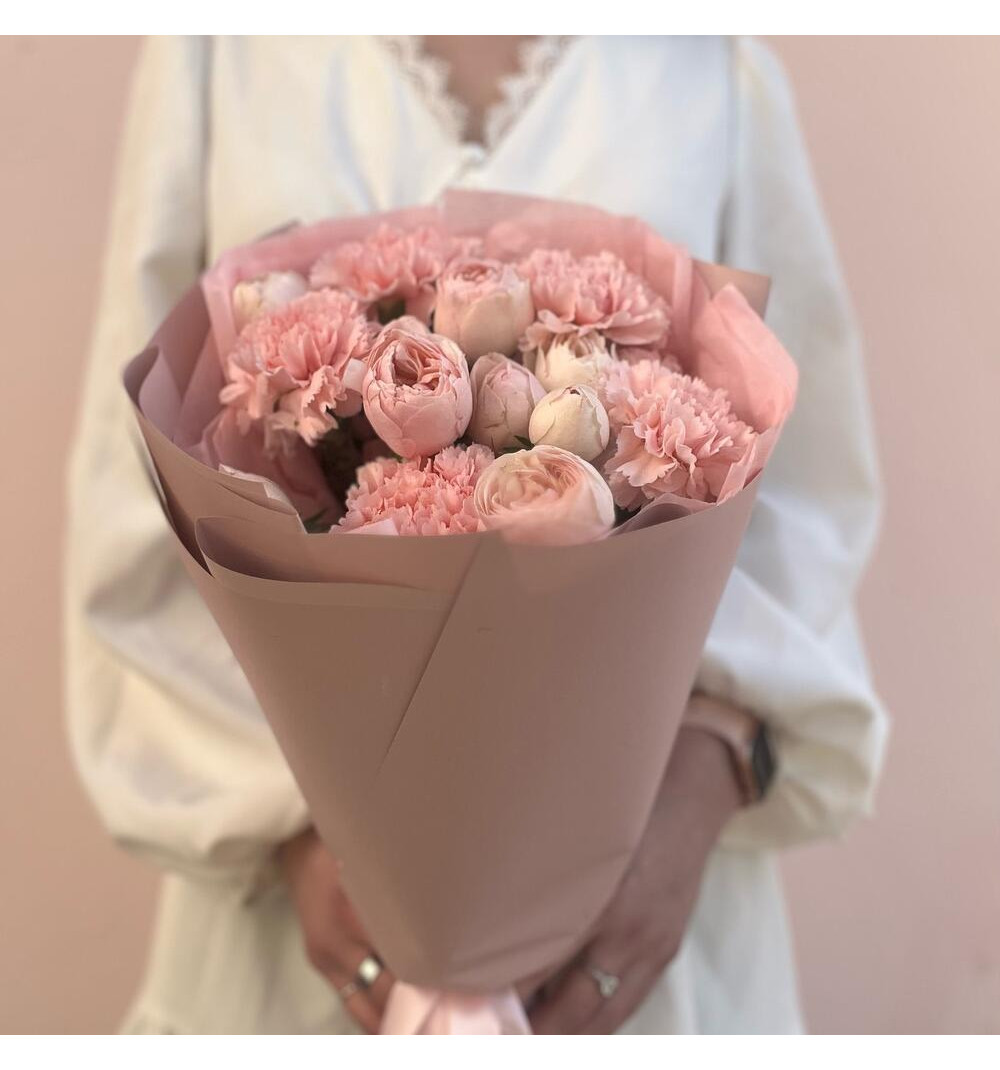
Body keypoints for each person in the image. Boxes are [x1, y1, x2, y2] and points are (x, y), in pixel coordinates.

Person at [65, 35, 888, 1034]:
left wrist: (703, 779)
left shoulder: (709, 61)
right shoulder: (214, 49)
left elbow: (802, 498)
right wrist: (295, 836)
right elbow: (134, 489)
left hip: (638, 908)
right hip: (296, 927)